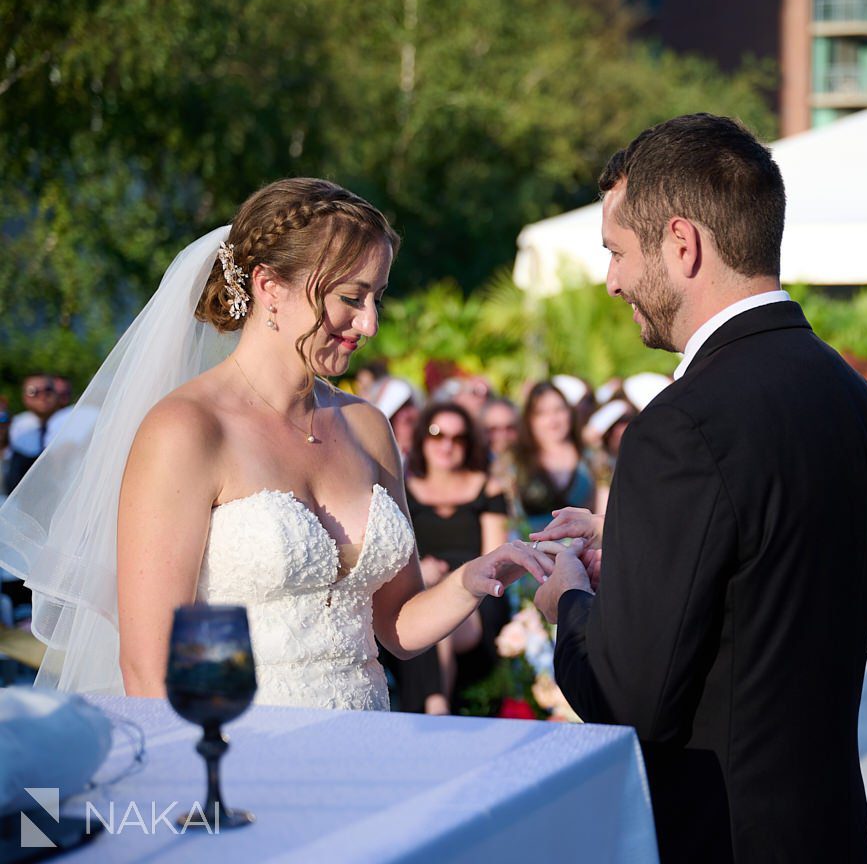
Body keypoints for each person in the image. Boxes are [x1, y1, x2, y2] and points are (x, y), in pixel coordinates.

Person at [0, 178, 551, 706]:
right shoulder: (187, 430)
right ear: (268, 287)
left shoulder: (367, 426)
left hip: (367, 742)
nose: (370, 324)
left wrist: (475, 578)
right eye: (351, 298)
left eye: (377, 298)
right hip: (241, 751)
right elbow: (148, 666)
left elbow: (396, 626)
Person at [530, 114, 867, 863]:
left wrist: (566, 601)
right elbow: (773, 569)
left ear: (681, 244)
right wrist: (638, 547)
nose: (611, 281)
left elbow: (628, 696)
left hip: (723, 835)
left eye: (617, 252)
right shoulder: (853, 398)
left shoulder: (683, 425)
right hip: (829, 829)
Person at [398, 403, 509, 712]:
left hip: (477, 596)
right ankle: (436, 705)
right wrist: (420, 574)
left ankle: (433, 709)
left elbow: (495, 559)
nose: (447, 444)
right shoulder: (403, 491)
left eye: (458, 438)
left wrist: (454, 583)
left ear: (469, 444)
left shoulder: (488, 489)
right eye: (437, 434)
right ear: (422, 438)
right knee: (428, 613)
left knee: (436, 614)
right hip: (419, 590)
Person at [512, 381, 604, 533]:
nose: (552, 420)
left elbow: (603, 515)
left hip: (582, 552)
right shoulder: (513, 462)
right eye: (541, 413)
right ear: (529, 419)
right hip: (529, 551)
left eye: (559, 410)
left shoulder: (593, 458)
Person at [4, 374, 62, 492]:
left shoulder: (74, 423)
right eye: (33, 391)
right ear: (24, 397)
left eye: (48, 390)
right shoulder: (14, 428)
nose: (42, 396)